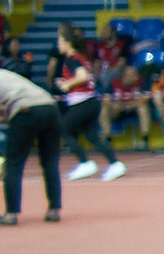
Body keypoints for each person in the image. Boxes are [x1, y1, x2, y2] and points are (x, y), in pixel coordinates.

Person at [0, 63, 64, 223]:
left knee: (14, 162)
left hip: (25, 110)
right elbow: (5, 103)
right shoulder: (0, 75)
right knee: (50, 161)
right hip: (50, 108)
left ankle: (11, 213)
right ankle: (54, 209)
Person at [50, 27, 126, 182]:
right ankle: (115, 163)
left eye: (60, 41)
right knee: (92, 136)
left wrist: (67, 85)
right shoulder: (80, 57)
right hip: (91, 101)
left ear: (68, 43)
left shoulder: (72, 58)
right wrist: (67, 82)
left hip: (82, 102)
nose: (58, 44)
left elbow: (82, 76)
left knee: (65, 131)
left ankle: (85, 163)